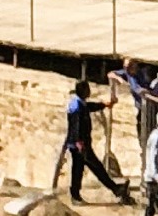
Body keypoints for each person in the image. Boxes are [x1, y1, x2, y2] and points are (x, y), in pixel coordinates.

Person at [53, 66, 129, 204]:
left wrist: (104, 105)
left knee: (79, 170)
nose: (89, 91)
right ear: (82, 90)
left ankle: (76, 195)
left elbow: (89, 107)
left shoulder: (79, 103)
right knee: (96, 168)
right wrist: (79, 142)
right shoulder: (76, 106)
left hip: (79, 143)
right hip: (80, 144)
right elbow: (76, 125)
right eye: (87, 89)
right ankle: (115, 189)